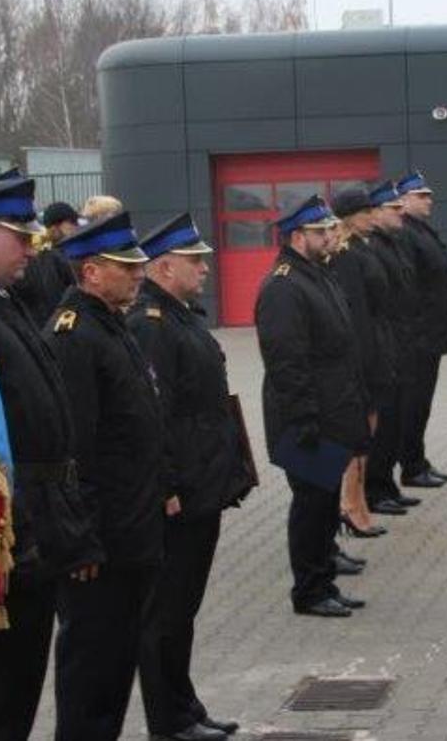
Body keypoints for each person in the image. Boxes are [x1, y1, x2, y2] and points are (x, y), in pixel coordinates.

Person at [0, 174, 103, 741]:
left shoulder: (0, 300)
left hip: (35, 520)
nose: (33, 249)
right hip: (7, 528)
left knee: (18, 682)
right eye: (21, 236)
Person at [41, 211, 184, 741]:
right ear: (92, 271)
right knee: (92, 670)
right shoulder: (74, 336)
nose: (139, 275)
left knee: (116, 664)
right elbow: (72, 450)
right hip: (100, 542)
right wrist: (80, 540)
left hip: (129, 529)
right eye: (127, 267)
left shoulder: (110, 324)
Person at [128, 213, 254, 739]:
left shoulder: (180, 316)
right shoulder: (151, 325)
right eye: (194, 261)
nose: (204, 269)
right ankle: (168, 720)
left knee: (183, 610)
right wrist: (168, 487)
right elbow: (155, 416)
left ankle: (185, 705)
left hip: (203, 484)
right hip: (180, 493)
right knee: (165, 614)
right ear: (163, 267)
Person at [254, 195, 369, 618]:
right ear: (298, 237)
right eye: (321, 232)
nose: (330, 236)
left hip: (331, 412)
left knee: (324, 505)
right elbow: (287, 363)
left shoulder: (316, 275)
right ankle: (309, 590)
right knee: (311, 507)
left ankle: (325, 580)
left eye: (330, 229)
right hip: (307, 420)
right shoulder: (284, 286)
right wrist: (304, 421)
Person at [325, 187, 399, 535]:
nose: (373, 216)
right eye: (366, 212)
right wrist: (366, 364)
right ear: (350, 217)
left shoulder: (361, 247)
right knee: (358, 437)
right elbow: (356, 316)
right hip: (363, 358)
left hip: (376, 349)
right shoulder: (346, 255)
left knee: (366, 437)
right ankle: (351, 505)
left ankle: (358, 502)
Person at [391, 171, 447, 486]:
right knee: (413, 403)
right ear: (403, 200)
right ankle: (411, 467)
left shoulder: (420, 230)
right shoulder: (405, 234)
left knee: (421, 404)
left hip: (430, 335)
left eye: (429, 195)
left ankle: (417, 460)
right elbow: (407, 287)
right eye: (421, 196)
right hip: (417, 337)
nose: (429, 201)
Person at [359, 183, 425, 515]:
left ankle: (387, 485)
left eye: (401, 207)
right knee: (383, 424)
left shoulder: (392, 243)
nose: (401, 213)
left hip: (401, 343)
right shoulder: (372, 247)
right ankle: (375, 489)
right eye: (394, 209)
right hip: (387, 345)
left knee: (396, 419)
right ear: (376, 213)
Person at [13, 200, 82, 325]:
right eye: (71, 223)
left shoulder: (58, 254)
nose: (76, 227)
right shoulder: (50, 257)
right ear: (55, 227)